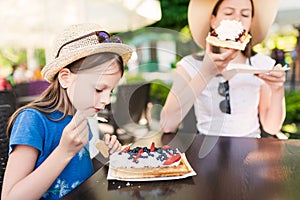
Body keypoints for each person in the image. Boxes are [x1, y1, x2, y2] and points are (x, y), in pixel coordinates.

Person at [1, 23, 133, 199]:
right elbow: (11, 197)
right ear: (65, 78)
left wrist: (104, 158)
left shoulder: (79, 116)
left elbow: (77, 175)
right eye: (99, 89)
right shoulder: (32, 120)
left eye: (111, 91)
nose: (107, 100)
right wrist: (65, 151)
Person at [160, 0, 286, 138]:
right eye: (228, 13)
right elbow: (167, 124)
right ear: (213, 21)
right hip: (205, 149)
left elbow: (272, 127)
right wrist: (205, 73)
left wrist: (277, 90)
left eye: (245, 15)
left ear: (251, 23)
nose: (237, 19)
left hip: (251, 148)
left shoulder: (263, 64)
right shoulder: (190, 65)